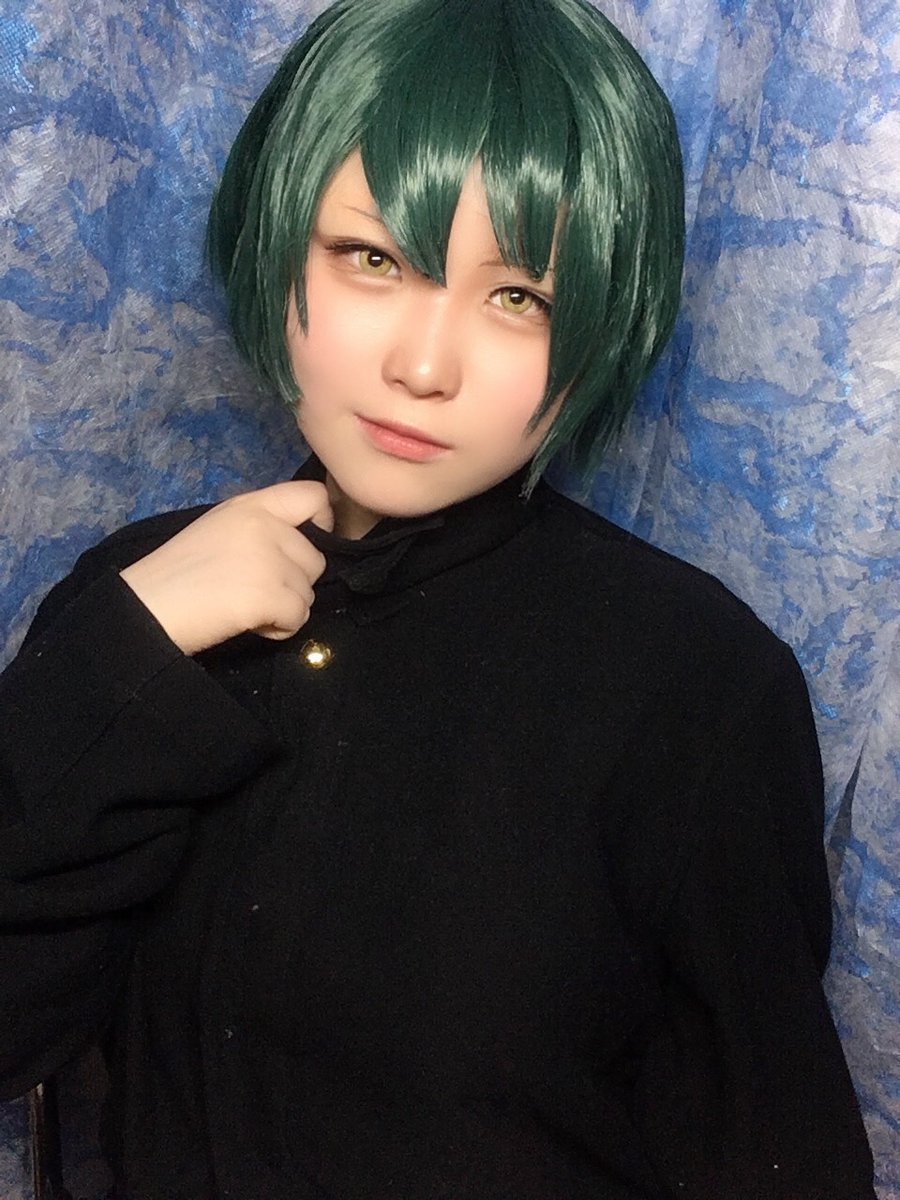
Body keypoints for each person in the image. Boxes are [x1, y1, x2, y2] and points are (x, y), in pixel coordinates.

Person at [0, 0, 877, 1196]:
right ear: (277, 242)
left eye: (520, 298)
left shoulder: (695, 686)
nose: (423, 367)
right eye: (373, 259)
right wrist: (120, 665)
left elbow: (768, 1151)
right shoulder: (136, 597)